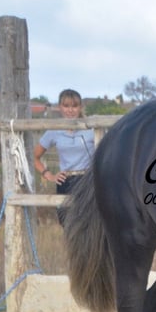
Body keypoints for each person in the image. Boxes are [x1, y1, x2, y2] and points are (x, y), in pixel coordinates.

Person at [33, 89, 95, 224]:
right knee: (66, 224)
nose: (70, 110)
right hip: (65, 181)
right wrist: (48, 175)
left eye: (74, 106)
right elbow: (35, 157)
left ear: (80, 107)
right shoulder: (54, 130)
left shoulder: (91, 129)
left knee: (88, 225)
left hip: (87, 181)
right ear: (60, 107)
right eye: (66, 106)